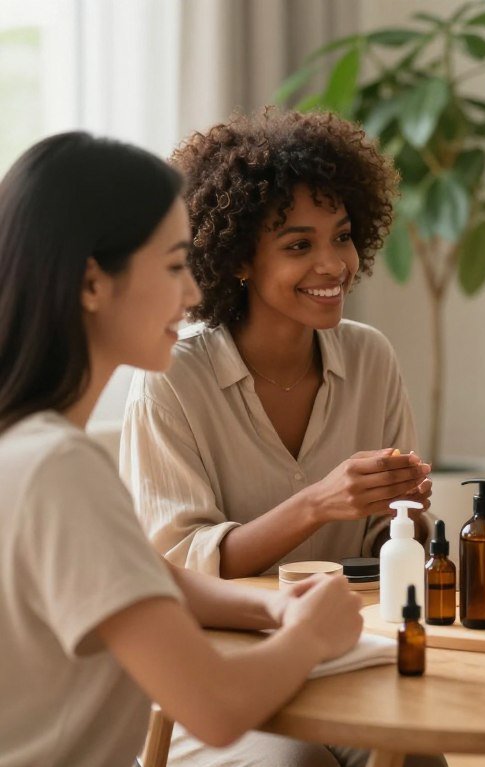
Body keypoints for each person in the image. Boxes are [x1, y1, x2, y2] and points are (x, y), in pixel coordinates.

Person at [0, 132, 363, 767]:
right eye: (173, 267)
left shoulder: (27, 447)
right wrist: (309, 636)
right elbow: (216, 709)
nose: (194, 294)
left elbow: (147, 578)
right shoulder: (59, 468)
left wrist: (270, 603)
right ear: (92, 283)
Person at [121, 109, 431, 581]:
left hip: (350, 628)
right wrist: (318, 503)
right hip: (221, 643)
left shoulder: (371, 358)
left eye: (342, 237)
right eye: (298, 246)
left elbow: (384, 546)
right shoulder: (173, 378)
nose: (332, 265)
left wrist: (404, 518)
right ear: (240, 258)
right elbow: (181, 563)